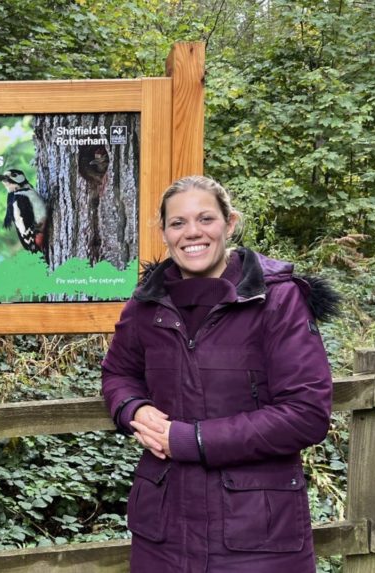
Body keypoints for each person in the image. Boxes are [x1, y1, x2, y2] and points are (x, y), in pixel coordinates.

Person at [101, 176, 337, 572]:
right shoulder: (146, 305)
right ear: (163, 232)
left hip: (258, 533)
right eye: (177, 223)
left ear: (230, 224)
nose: (192, 232)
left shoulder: (277, 300)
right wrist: (132, 408)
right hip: (165, 530)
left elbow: (306, 413)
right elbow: (118, 374)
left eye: (205, 219)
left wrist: (191, 439)